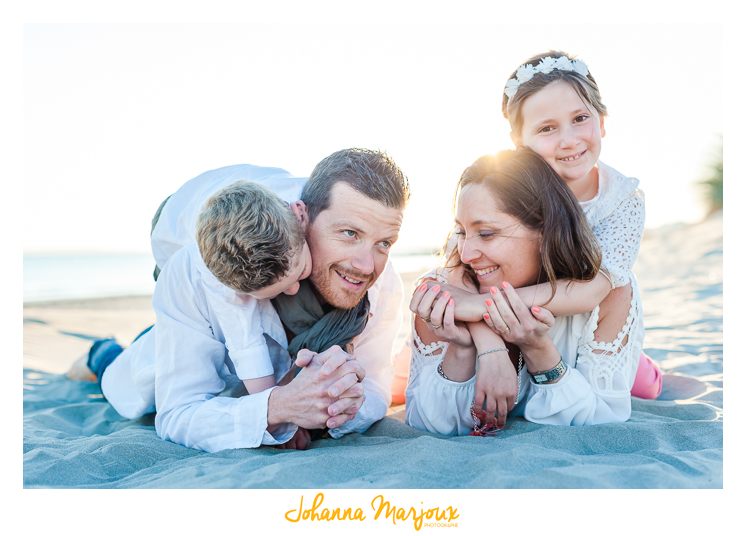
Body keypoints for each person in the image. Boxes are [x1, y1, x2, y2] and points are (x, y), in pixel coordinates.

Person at [70, 148, 409, 452]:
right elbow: (178, 415)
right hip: (175, 230)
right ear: (302, 216)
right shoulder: (208, 264)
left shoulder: (382, 283)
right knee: (133, 379)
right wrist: (277, 407)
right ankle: (100, 352)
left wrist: (340, 404)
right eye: (349, 234)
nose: (368, 266)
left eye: (384, 243)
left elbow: (376, 383)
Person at [405, 149, 643, 435]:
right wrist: (466, 348)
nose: (466, 253)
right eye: (461, 232)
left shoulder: (610, 295)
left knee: (648, 383)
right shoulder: (446, 294)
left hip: (624, 359)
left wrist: (538, 350)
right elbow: (425, 422)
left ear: (545, 230)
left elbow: (604, 419)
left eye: (487, 233)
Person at [500, 51, 661, 399]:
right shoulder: (501, 192)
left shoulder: (622, 199)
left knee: (645, 385)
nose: (569, 139)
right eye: (546, 128)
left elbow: (592, 292)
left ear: (601, 122)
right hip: (531, 323)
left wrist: (492, 301)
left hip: (596, 320)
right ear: (519, 142)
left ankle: (651, 368)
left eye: (580, 118)